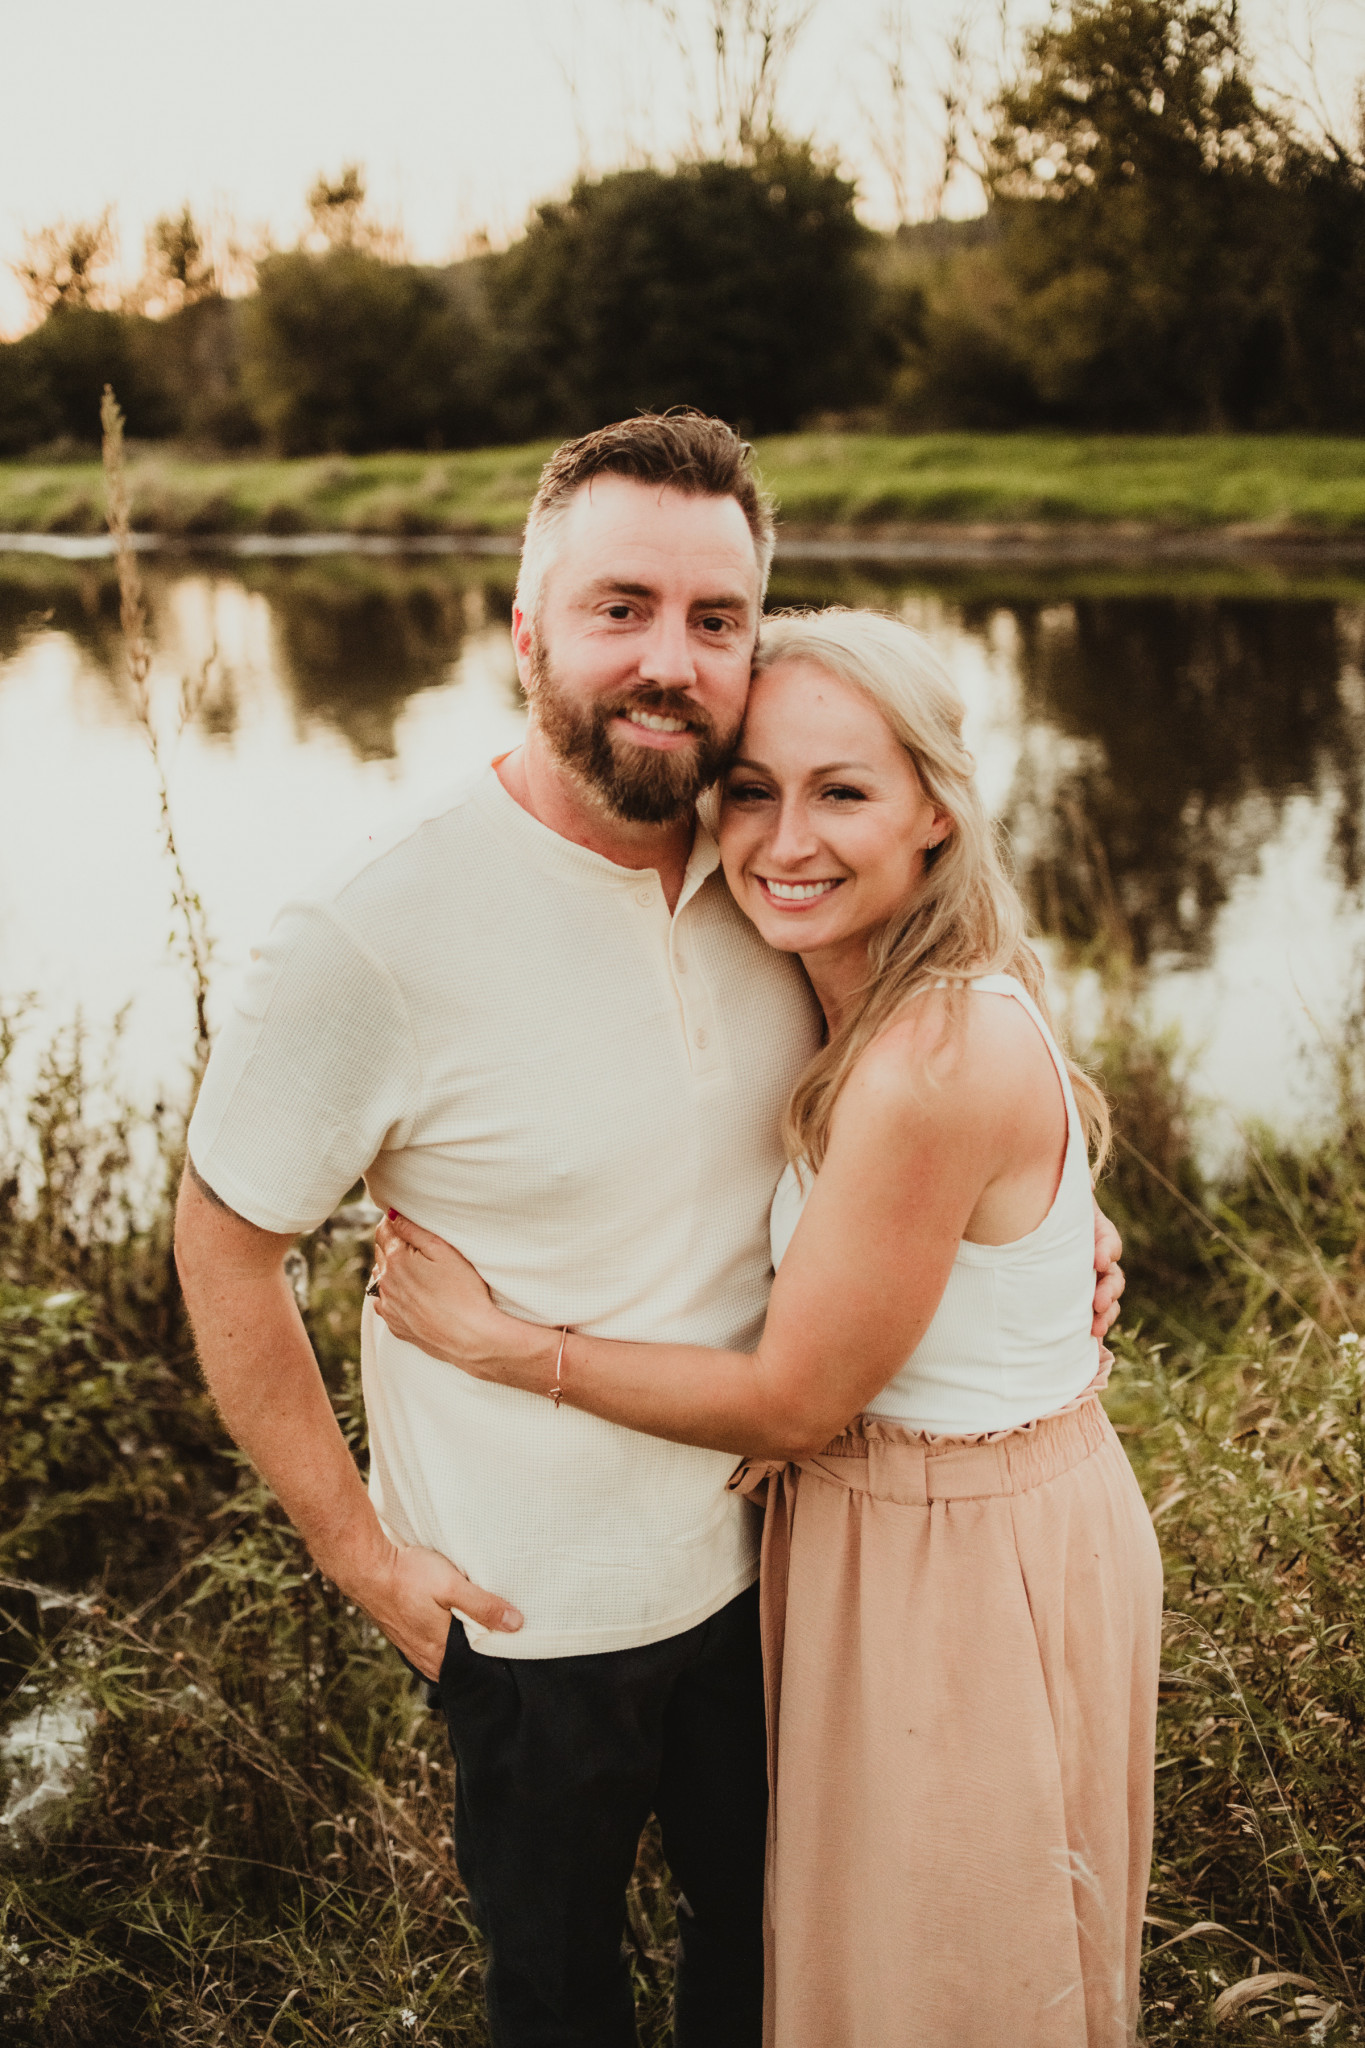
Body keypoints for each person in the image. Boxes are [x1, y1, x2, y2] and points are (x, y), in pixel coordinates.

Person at [173, 413, 1126, 2048]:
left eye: (713, 618)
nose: (668, 662)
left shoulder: (762, 858)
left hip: (781, 1568)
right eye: (619, 608)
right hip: (526, 1610)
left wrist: (1049, 1244)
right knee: (558, 1993)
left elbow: (949, 1031)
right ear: (525, 625)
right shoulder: (369, 930)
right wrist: (360, 1554)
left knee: (766, 1964)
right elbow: (223, 1241)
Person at [370, 606, 1162, 2048]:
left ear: (934, 811)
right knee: (871, 1954)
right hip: (900, 1527)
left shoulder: (925, 1059)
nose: (786, 839)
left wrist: (502, 1346)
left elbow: (798, 1401)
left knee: (942, 1976)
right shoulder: (860, 974)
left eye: (841, 792)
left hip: (956, 1557)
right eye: (752, 790)